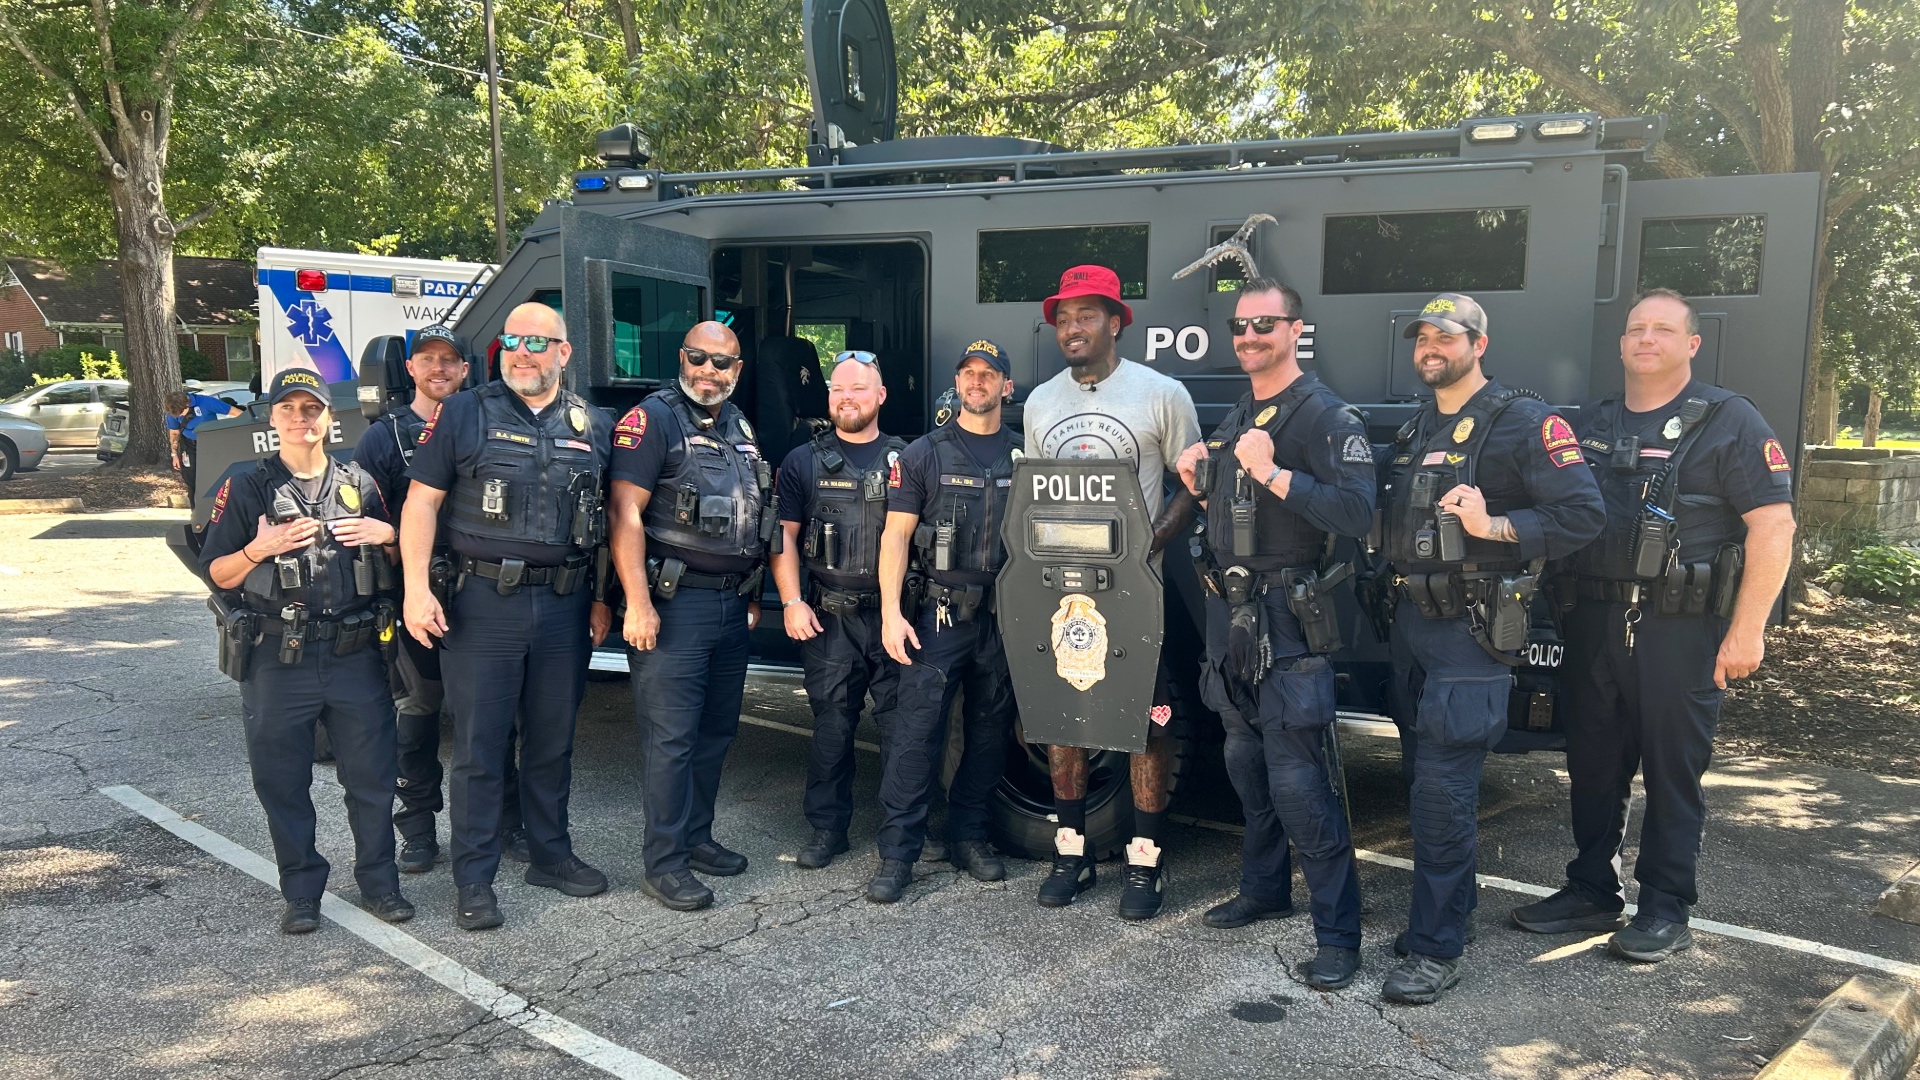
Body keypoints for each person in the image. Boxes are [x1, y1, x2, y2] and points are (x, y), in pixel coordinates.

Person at [1511, 289, 1796, 962]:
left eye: (1663, 329)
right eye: (1636, 328)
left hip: (1680, 625)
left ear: (1691, 345)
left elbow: (1774, 527)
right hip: (1593, 619)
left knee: (1673, 770)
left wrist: (1748, 630)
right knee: (1593, 763)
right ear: (1621, 344)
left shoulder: (1731, 421)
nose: (1646, 338)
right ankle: (1590, 890)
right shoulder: (1591, 421)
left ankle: (1666, 908)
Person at [1376, 292, 1604, 1004]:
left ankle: (1437, 948)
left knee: (1444, 792)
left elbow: (1583, 515)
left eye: (1446, 336)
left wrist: (1494, 524)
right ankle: (1452, 916)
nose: (1431, 347)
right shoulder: (1419, 426)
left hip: (1471, 635)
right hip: (1413, 629)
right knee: (1423, 780)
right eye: (1423, 337)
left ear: (1479, 342)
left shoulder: (1525, 422)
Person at [1173, 279, 1375, 988]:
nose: (1249, 336)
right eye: (1240, 325)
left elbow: (1357, 512)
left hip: (1289, 623)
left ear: (1296, 331)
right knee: (1244, 763)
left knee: (1298, 781)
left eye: (1265, 323)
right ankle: (1263, 889)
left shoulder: (1324, 416)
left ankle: (1339, 935)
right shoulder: (1240, 411)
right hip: (1230, 619)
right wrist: (1203, 482)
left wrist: (1274, 473)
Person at [400, 302, 614, 930]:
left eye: (538, 342)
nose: (523, 353)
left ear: (564, 352)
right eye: (513, 341)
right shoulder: (465, 411)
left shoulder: (593, 424)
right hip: (482, 605)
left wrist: (601, 597)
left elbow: (603, 524)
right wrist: (417, 589)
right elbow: (421, 504)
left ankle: (550, 855)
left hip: (565, 605)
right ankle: (474, 877)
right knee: (479, 747)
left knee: (552, 742)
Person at [198, 369, 411, 933]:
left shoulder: (359, 482)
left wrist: (387, 537)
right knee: (282, 781)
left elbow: (394, 564)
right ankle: (301, 892)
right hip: (277, 659)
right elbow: (217, 572)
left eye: (311, 408)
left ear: (328, 418)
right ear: (272, 419)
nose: (301, 418)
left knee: (371, 777)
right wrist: (258, 547)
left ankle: (380, 884)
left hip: (355, 654)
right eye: (288, 409)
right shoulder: (246, 486)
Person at [1021, 264, 1201, 919]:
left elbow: (1193, 485)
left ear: (1116, 322)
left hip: (1137, 596)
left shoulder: (1162, 394)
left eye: (1086, 315)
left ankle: (1145, 865)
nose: (1072, 327)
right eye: (1063, 318)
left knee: (1144, 729)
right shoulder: (1040, 404)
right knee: (1061, 721)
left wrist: (1152, 541)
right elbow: (1037, 495)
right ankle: (1072, 855)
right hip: (1061, 590)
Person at [352, 327, 530, 873]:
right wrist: (393, 541)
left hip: (476, 594)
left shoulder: (491, 423)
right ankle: (418, 829)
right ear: (410, 369)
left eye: (449, 361)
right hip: (416, 593)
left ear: (466, 369)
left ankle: (507, 823)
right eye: (427, 360)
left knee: (490, 717)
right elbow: (359, 512)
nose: (439, 369)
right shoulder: (386, 437)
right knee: (419, 712)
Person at [610, 321, 773, 912]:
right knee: (671, 740)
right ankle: (665, 862)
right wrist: (638, 602)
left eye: (722, 363)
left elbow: (749, 512)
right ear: (682, 358)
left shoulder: (738, 425)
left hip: (731, 604)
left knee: (714, 734)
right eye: (698, 358)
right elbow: (625, 513)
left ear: (737, 371)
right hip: (673, 606)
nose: (710, 371)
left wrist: (751, 594)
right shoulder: (653, 419)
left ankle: (697, 837)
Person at [870, 339, 1023, 904]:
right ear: (957, 383)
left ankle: (969, 836)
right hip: (937, 616)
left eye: (988, 374)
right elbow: (895, 537)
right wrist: (890, 614)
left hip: (1005, 619)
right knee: (917, 735)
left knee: (988, 733)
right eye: (967, 373)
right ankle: (897, 854)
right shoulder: (924, 455)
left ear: (1006, 386)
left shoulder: (1025, 455)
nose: (976, 382)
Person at [772, 353, 913, 870]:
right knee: (831, 729)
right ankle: (827, 830)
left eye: (859, 388)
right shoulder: (801, 461)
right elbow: (782, 538)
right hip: (828, 617)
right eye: (837, 390)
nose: (846, 397)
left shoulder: (909, 459)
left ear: (881, 396)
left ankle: (902, 839)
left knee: (905, 733)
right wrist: (790, 602)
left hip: (897, 617)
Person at [166, 386, 242, 507]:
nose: (179, 416)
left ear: (187, 404)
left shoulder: (206, 402)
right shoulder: (173, 410)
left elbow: (235, 412)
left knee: (217, 478)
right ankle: (196, 513)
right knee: (191, 481)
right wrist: (174, 454)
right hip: (190, 446)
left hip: (212, 445)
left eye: (181, 413)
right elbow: (174, 433)